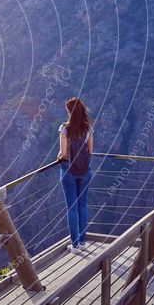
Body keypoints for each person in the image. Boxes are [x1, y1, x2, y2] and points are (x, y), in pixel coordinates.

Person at [57, 97, 94, 254]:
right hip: (85, 170)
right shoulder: (88, 128)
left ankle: (75, 245)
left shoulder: (64, 128)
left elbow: (63, 153)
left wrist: (58, 157)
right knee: (82, 205)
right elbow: (90, 150)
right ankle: (83, 242)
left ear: (69, 112)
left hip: (68, 170)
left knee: (71, 207)